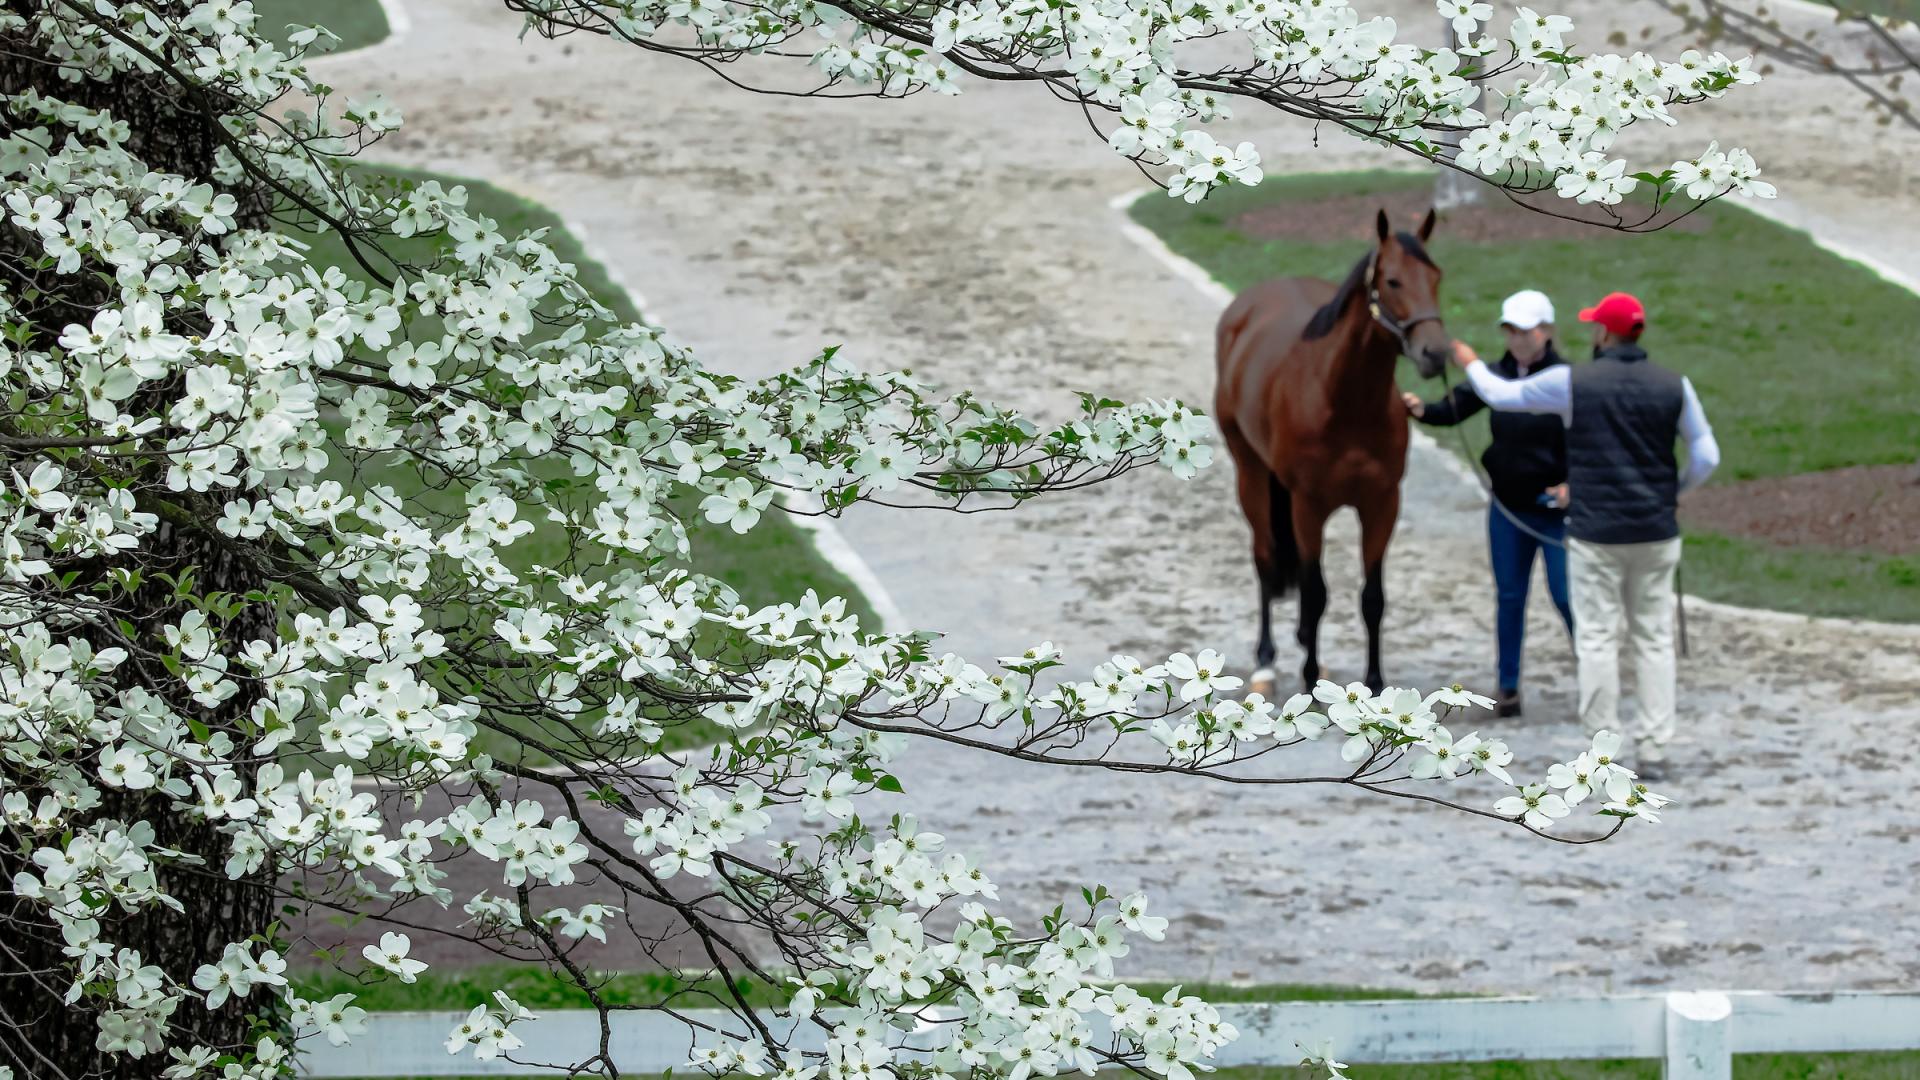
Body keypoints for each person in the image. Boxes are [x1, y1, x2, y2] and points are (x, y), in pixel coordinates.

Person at [1448, 291, 1720, 775]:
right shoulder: (1674, 384)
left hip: (1597, 534)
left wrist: (1469, 362)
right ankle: (1654, 748)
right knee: (1653, 639)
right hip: (1655, 530)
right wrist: (1674, 490)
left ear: (1603, 334)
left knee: (1597, 639)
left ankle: (1602, 750)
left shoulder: (1572, 382)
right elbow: (1706, 455)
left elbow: (1502, 396)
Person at [1404, 289, 1571, 719]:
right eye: (1510, 331)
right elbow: (1454, 408)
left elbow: (1591, 438)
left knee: (1566, 595)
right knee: (1510, 596)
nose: (1517, 339)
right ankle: (1508, 685)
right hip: (1508, 508)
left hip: (1557, 512)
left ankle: (1595, 675)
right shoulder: (1494, 375)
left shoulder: (1566, 379)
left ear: (1546, 331)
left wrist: (1575, 484)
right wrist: (1422, 410)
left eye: (1525, 331)